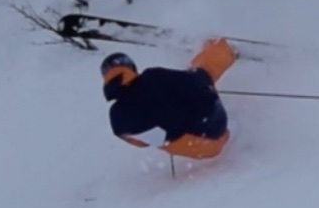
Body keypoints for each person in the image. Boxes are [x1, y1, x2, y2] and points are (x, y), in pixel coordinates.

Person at [101, 37, 238, 159]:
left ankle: (227, 134)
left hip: (199, 149)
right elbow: (192, 82)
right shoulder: (152, 77)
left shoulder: (116, 121)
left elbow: (142, 144)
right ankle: (225, 48)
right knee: (200, 71)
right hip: (214, 124)